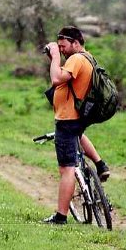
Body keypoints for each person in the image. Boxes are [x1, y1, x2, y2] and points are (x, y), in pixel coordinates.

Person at [43, 26, 110, 225]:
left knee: (66, 169)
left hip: (68, 119)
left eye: (64, 46)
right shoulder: (87, 57)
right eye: (59, 47)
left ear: (75, 42)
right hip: (78, 118)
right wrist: (54, 58)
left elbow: (56, 79)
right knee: (78, 135)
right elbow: (64, 76)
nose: (62, 50)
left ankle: (61, 216)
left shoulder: (77, 59)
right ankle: (100, 164)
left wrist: (55, 56)